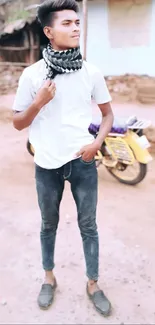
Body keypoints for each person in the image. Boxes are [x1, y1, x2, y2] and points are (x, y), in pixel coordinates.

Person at [12, 0, 114, 316]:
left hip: (83, 161)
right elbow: (18, 122)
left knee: (89, 225)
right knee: (48, 224)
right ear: (49, 31)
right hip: (46, 163)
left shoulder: (91, 71)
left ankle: (93, 283)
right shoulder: (32, 76)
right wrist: (39, 102)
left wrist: (96, 143)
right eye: (67, 23)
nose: (75, 28)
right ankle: (49, 278)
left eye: (77, 23)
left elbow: (108, 114)